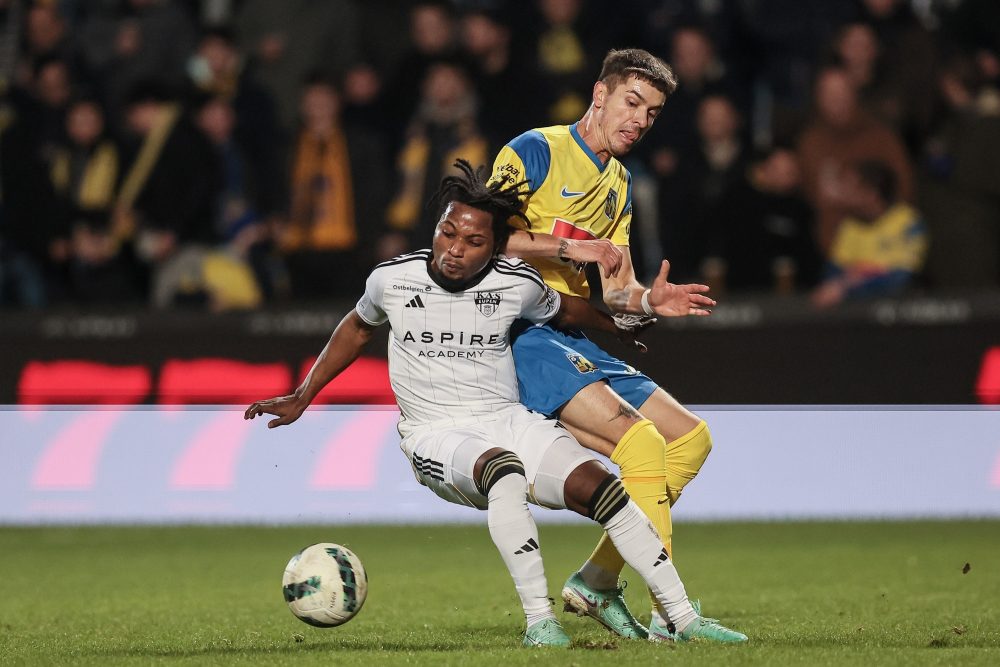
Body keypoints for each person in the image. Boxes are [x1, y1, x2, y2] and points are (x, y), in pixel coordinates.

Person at [245, 161, 745, 647]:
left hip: (508, 420)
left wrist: (627, 322)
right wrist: (303, 395)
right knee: (503, 471)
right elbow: (356, 327)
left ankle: (680, 620)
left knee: (606, 490)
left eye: (473, 241)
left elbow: (567, 308)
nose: (454, 249)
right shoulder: (392, 280)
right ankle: (540, 623)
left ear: (495, 248)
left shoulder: (515, 284)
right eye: (447, 233)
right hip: (436, 433)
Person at [490, 47, 739, 642]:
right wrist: (570, 247)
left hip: (573, 330)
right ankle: (672, 617)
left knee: (691, 439)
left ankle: (598, 581)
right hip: (521, 330)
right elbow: (486, 236)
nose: (640, 120)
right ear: (599, 94)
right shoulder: (534, 150)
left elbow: (618, 288)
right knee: (642, 446)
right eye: (632, 103)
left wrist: (651, 303)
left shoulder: (619, 184)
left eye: (652, 113)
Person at [811, 159, 927, 308]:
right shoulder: (850, 225)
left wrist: (855, 280)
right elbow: (833, 274)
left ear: (870, 194)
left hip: (900, 312)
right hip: (857, 313)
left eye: (849, 186)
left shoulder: (908, 222)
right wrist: (851, 280)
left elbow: (903, 277)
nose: (842, 191)